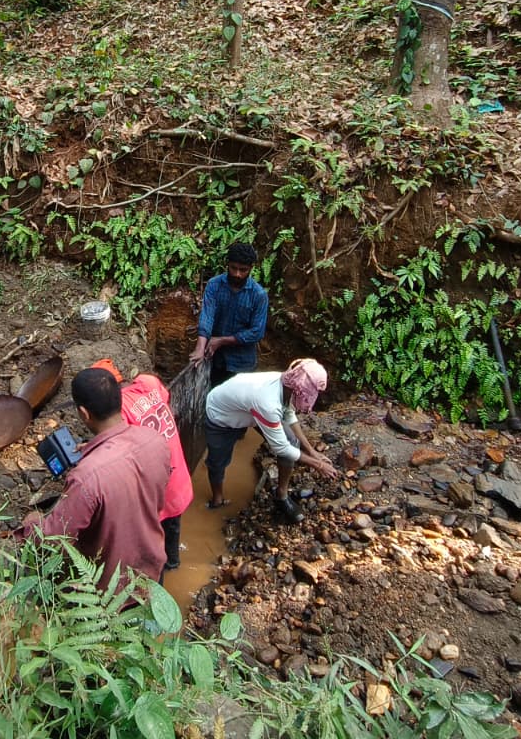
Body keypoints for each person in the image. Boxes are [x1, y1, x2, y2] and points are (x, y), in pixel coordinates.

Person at [26, 368, 172, 591]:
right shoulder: (154, 440)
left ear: (84, 413)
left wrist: (31, 524)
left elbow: (54, 539)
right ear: (119, 398)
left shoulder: (86, 477)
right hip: (152, 572)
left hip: (110, 592)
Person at [203, 358, 339, 521]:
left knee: (291, 440)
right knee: (217, 462)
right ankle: (217, 499)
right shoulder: (268, 403)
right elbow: (281, 448)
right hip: (221, 416)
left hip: (248, 409)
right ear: (297, 390)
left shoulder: (287, 384)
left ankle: (281, 495)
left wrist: (312, 451)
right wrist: (319, 465)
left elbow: (288, 412)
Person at [90, 359, 193, 571]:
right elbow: (164, 396)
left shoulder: (120, 415)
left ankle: (160, 574)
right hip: (178, 478)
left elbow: (117, 450)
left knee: (154, 541)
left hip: (155, 491)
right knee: (173, 526)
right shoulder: (148, 383)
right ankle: (173, 563)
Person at [190, 242, 269, 387]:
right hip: (217, 361)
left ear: (251, 268)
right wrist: (200, 348)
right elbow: (207, 316)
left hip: (243, 365)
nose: (237, 274)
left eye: (243, 270)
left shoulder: (258, 295)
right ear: (227, 264)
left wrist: (221, 341)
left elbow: (257, 332)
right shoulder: (214, 285)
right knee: (215, 395)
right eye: (233, 268)